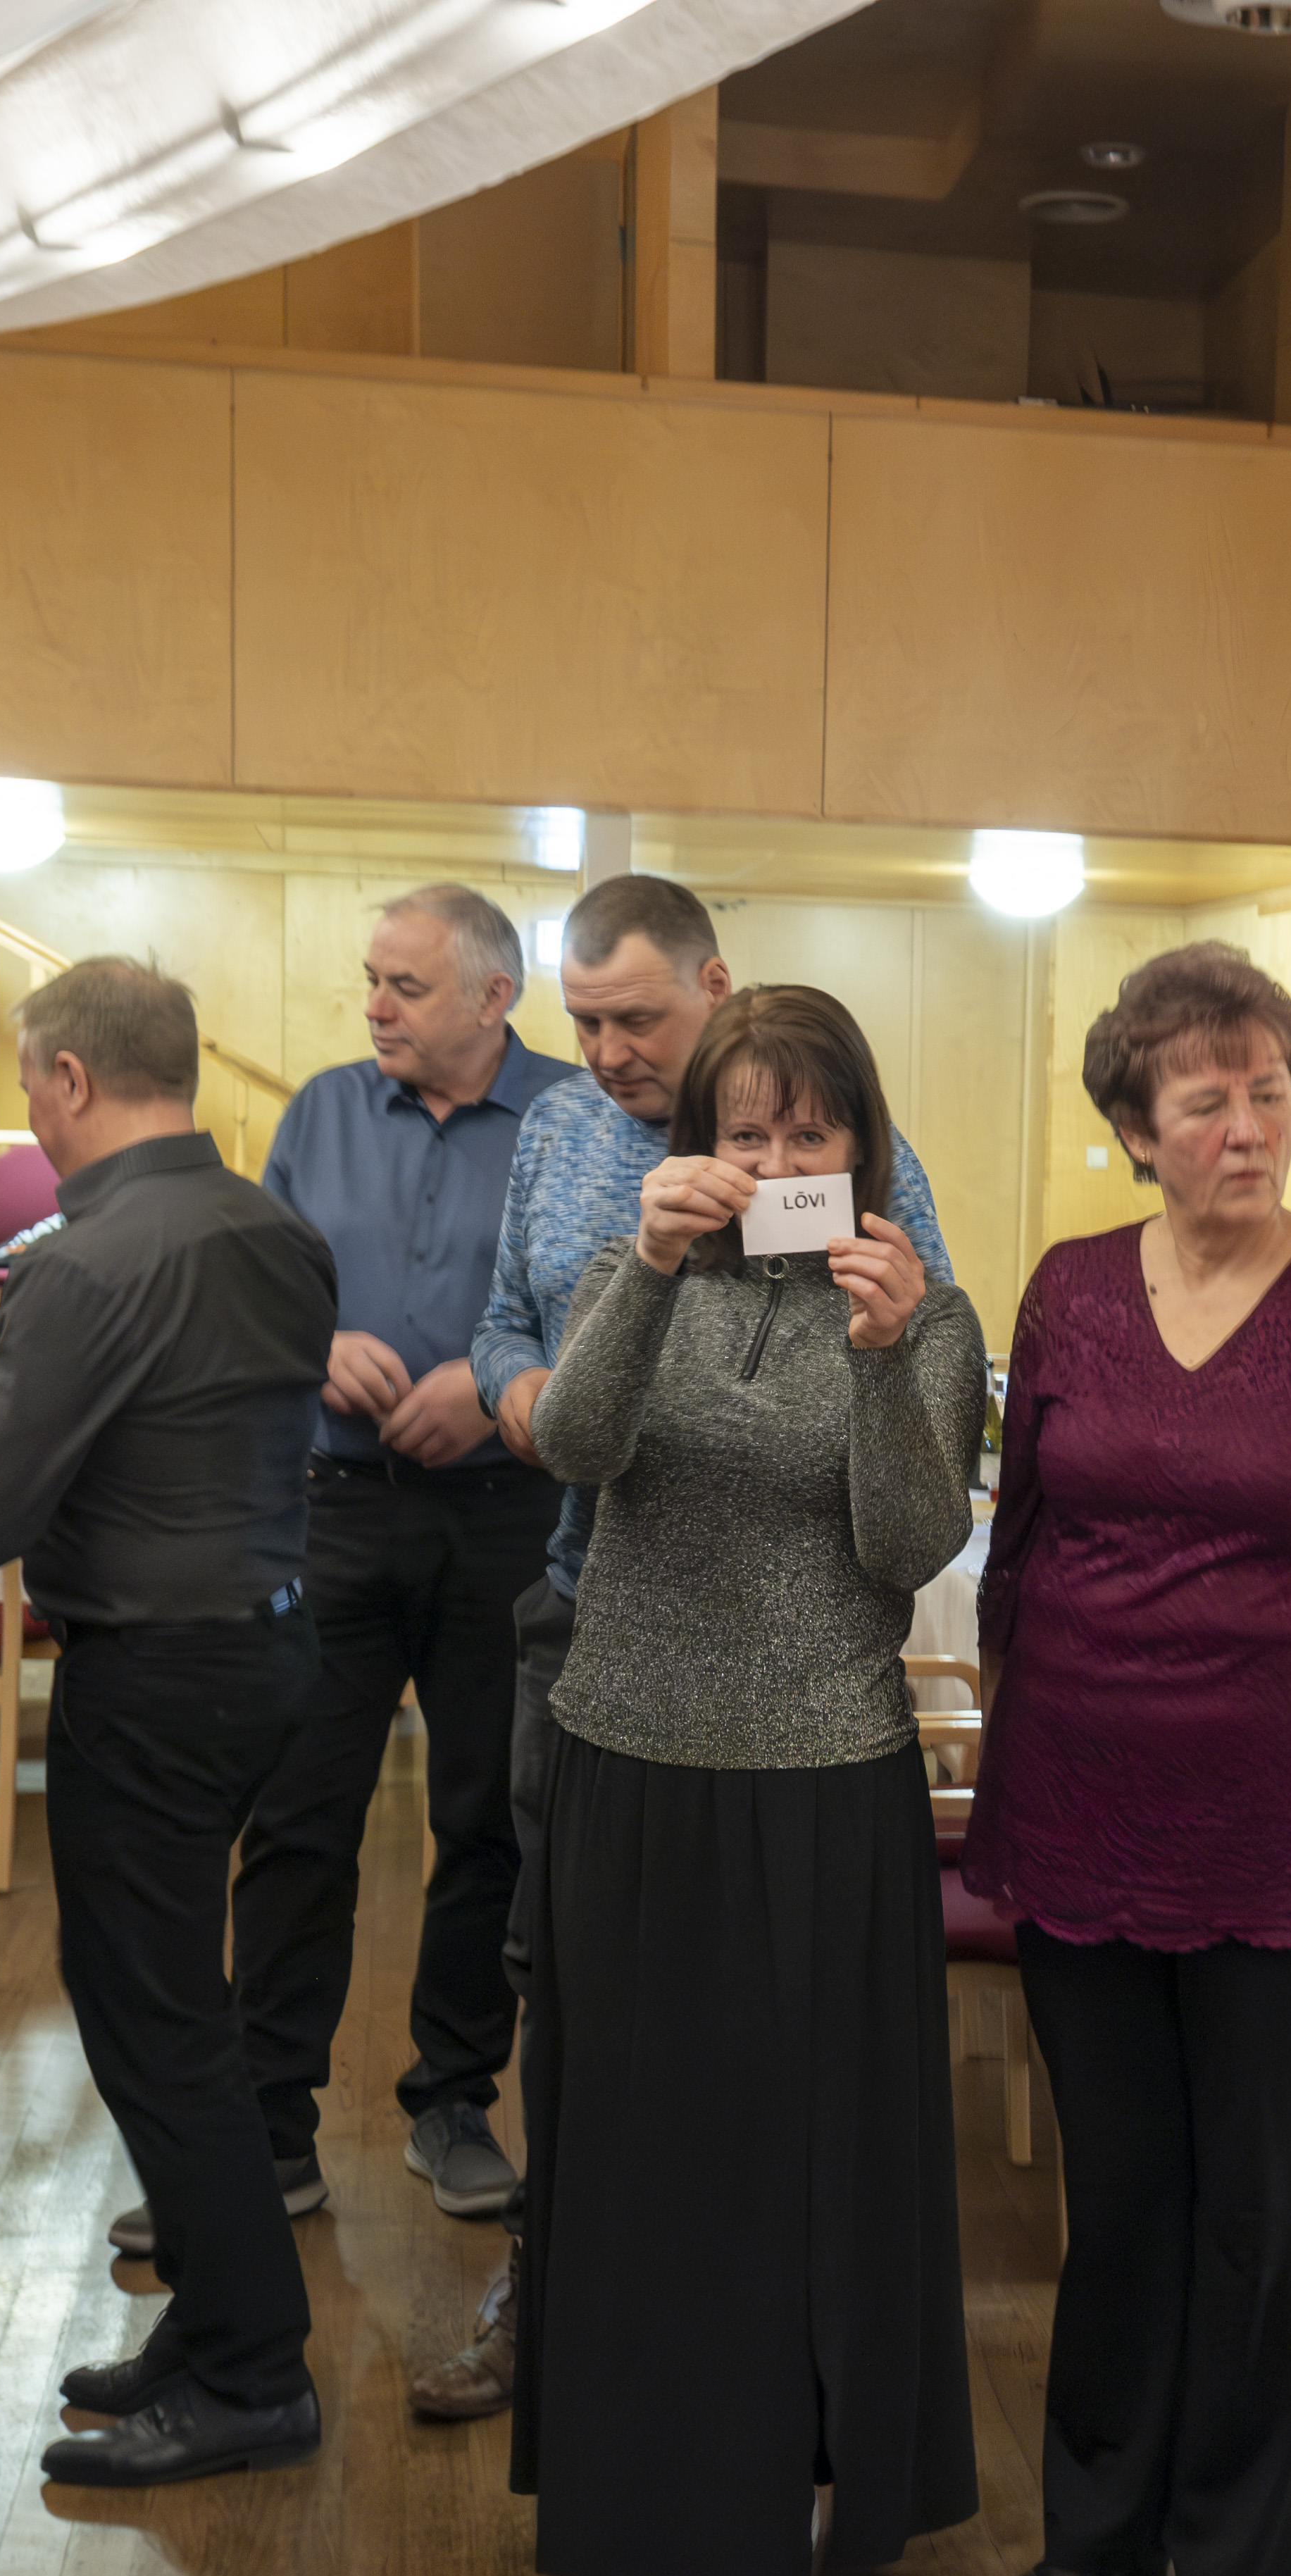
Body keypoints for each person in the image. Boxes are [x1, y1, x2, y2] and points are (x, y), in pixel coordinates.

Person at [961, 941, 1291, 2576]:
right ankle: (1097, 2528)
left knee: (1258, 2198)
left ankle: (1234, 2561)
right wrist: (1002, 1742)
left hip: (1279, 1804)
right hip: (1080, 1789)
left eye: (1270, 1093)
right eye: (1206, 1100)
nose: (1246, 1127)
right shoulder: (1071, 1287)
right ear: (1136, 1125)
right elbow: (1019, 1537)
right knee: (1119, 2192)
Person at [411, 874, 960, 2422]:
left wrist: (885, 1346)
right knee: (578, 2011)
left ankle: (778, 2396)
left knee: (779, 2081)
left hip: (810, 1713)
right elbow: (533, 1362)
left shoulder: (886, 1222)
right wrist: (548, 1367)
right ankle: (562, 2305)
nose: (602, 1051)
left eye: (633, 1018)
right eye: (579, 1021)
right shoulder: (571, 1154)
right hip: (603, 1633)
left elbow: (909, 1515)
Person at [510, 983, 990, 2576]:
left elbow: (908, 1545)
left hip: (820, 1776)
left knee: (788, 2163)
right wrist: (649, 1267)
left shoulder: (927, 1314)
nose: (776, 1161)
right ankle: (635, 2492)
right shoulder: (628, 1269)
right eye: (745, 1131)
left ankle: (772, 2499)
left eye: (809, 1131)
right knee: (634, 2148)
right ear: (697, 1142)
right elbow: (575, 1449)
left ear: (861, 1145)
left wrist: (883, 1358)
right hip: (627, 1754)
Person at [0, 957, 337, 2489]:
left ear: (69, 1078)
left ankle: (254, 2371)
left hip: (153, 1672)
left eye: (29, 1081)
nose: (31, 1107)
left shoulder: (79, 1264)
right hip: (270, 1644)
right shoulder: (276, 1229)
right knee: (165, 2000)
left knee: (155, 2016)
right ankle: (212, 2318)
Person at [226, 887, 576, 2235]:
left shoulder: (571, 1120)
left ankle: (452, 2102)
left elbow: (612, 1309)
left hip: (509, 1512)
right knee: (297, 1817)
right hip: (334, 1508)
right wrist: (312, 1346)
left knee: (485, 1820)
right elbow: (259, 1289)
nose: (374, 1006)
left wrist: (497, 1389)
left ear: (494, 997)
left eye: (406, 986)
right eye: (371, 979)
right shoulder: (319, 1110)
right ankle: (269, 2121)